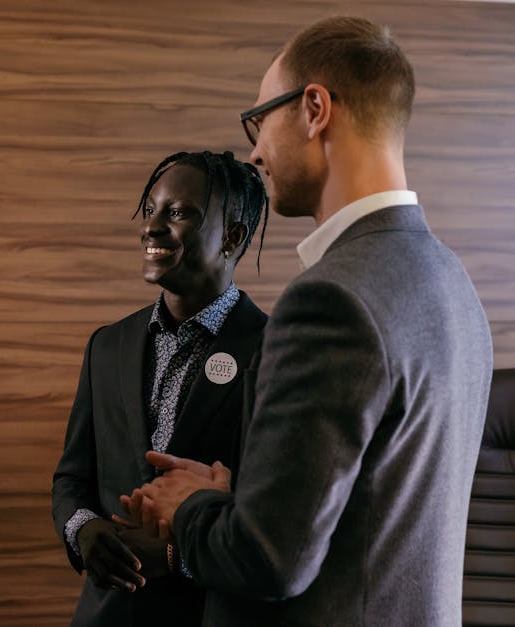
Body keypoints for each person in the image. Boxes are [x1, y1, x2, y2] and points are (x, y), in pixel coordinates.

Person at [125, 16, 494, 626]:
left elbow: (268, 561)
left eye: (260, 120)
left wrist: (189, 507)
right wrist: (236, 497)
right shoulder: (452, 281)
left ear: (314, 109)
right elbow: (374, 507)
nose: (255, 152)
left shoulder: (330, 301)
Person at [52, 150, 268, 625]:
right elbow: (72, 478)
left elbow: (275, 524)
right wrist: (84, 531)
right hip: (106, 614)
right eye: (151, 210)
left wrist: (178, 558)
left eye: (178, 213)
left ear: (231, 236)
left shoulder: (275, 353)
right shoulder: (107, 346)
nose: (152, 226)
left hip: (212, 612)